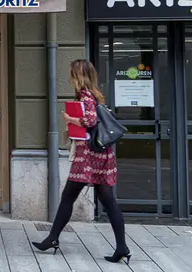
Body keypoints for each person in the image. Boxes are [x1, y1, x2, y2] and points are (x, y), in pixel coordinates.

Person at [32, 59, 130, 264]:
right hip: (101, 154)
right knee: (107, 199)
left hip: (88, 156)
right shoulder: (95, 93)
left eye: (72, 74)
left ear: (78, 76)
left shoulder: (85, 94)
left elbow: (91, 121)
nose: (70, 78)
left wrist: (70, 120)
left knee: (68, 196)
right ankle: (122, 247)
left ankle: (52, 238)